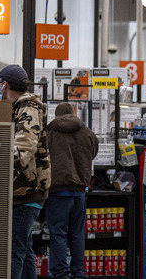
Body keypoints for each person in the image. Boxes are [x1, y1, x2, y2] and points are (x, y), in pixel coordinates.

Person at [0, 65, 51, 279]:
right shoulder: (18, 107)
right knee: (25, 250)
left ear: (4, 84)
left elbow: (23, 150)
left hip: (28, 190)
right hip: (24, 190)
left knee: (14, 251)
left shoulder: (27, 108)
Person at [46, 102, 99, 279]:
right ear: (73, 113)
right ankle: (78, 272)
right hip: (79, 192)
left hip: (58, 192)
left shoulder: (50, 132)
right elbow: (94, 152)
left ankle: (60, 273)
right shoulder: (87, 132)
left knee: (58, 233)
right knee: (77, 235)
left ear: (56, 116)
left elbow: (42, 155)